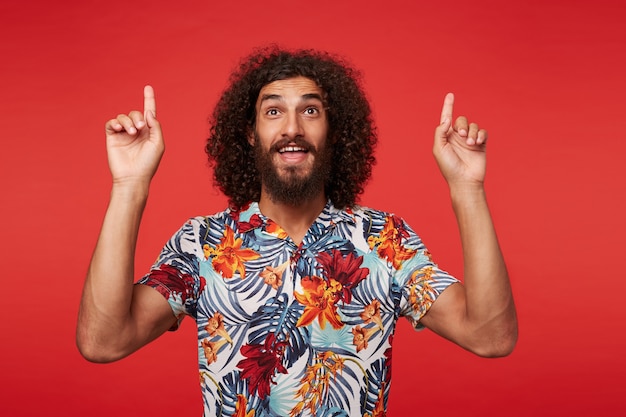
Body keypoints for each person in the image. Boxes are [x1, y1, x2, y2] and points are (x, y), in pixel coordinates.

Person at [77, 47, 517, 417]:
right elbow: (103, 342)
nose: (292, 128)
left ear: (334, 131)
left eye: (310, 110)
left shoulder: (384, 239)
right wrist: (129, 186)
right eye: (273, 111)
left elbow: (490, 336)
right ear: (250, 134)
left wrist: (467, 188)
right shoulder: (203, 244)